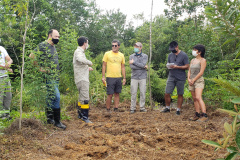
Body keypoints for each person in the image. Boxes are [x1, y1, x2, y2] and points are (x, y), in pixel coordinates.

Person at [29, 29, 66, 129]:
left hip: (56, 77)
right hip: (49, 77)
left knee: (50, 97)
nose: (57, 38)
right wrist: (40, 69)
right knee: (57, 96)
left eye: (58, 37)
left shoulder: (53, 47)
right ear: (50, 35)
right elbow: (32, 56)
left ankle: (50, 119)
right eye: (56, 36)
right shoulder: (43, 45)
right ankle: (57, 122)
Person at [162, 41, 189, 115]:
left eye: (173, 49)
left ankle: (178, 110)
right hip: (171, 76)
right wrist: (168, 66)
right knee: (167, 93)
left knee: (180, 93)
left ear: (177, 47)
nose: (172, 51)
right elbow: (168, 63)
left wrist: (178, 67)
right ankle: (167, 108)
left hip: (180, 77)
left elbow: (187, 66)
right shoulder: (170, 55)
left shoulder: (184, 55)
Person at [102, 39, 126, 112]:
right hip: (110, 77)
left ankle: (116, 108)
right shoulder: (107, 54)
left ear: (118, 46)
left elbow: (123, 67)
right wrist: (103, 76)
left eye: (115, 45)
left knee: (117, 94)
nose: (114, 47)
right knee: (110, 94)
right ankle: (108, 109)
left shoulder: (121, 55)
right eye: (112, 45)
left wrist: (124, 78)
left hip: (118, 77)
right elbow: (104, 65)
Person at [73, 36, 93, 123]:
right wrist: (89, 62)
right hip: (82, 79)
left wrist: (87, 68)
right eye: (87, 42)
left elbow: (79, 64)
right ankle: (85, 117)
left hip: (80, 77)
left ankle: (80, 115)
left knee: (81, 97)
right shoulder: (78, 51)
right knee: (85, 98)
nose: (88, 44)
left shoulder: (80, 52)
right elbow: (80, 59)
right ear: (85, 43)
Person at [188, 44, 208, 122]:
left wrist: (194, 80)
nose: (194, 51)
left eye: (195, 50)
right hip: (191, 81)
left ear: (199, 52)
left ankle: (204, 115)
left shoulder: (203, 60)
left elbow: (201, 72)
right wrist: (189, 79)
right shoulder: (192, 60)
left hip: (198, 81)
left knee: (198, 97)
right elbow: (189, 70)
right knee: (194, 98)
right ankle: (197, 114)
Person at [129, 42, 148, 113]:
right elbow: (132, 67)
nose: (135, 48)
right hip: (134, 77)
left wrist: (134, 63)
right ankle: (132, 108)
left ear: (141, 47)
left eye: (137, 46)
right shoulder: (131, 56)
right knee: (133, 93)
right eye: (135, 46)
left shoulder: (145, 56)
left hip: (143, 77)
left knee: (142, 92)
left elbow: (143, 64)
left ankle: (142, 108)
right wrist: (142, 67)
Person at [0, 46, 13, 119]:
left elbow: (10, 59)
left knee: (8, 96)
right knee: (0, 97)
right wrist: (7, 68)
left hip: (5, 76)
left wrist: (9, 63)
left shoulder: (1, 48)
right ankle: (1, 116)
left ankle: (6, 115)